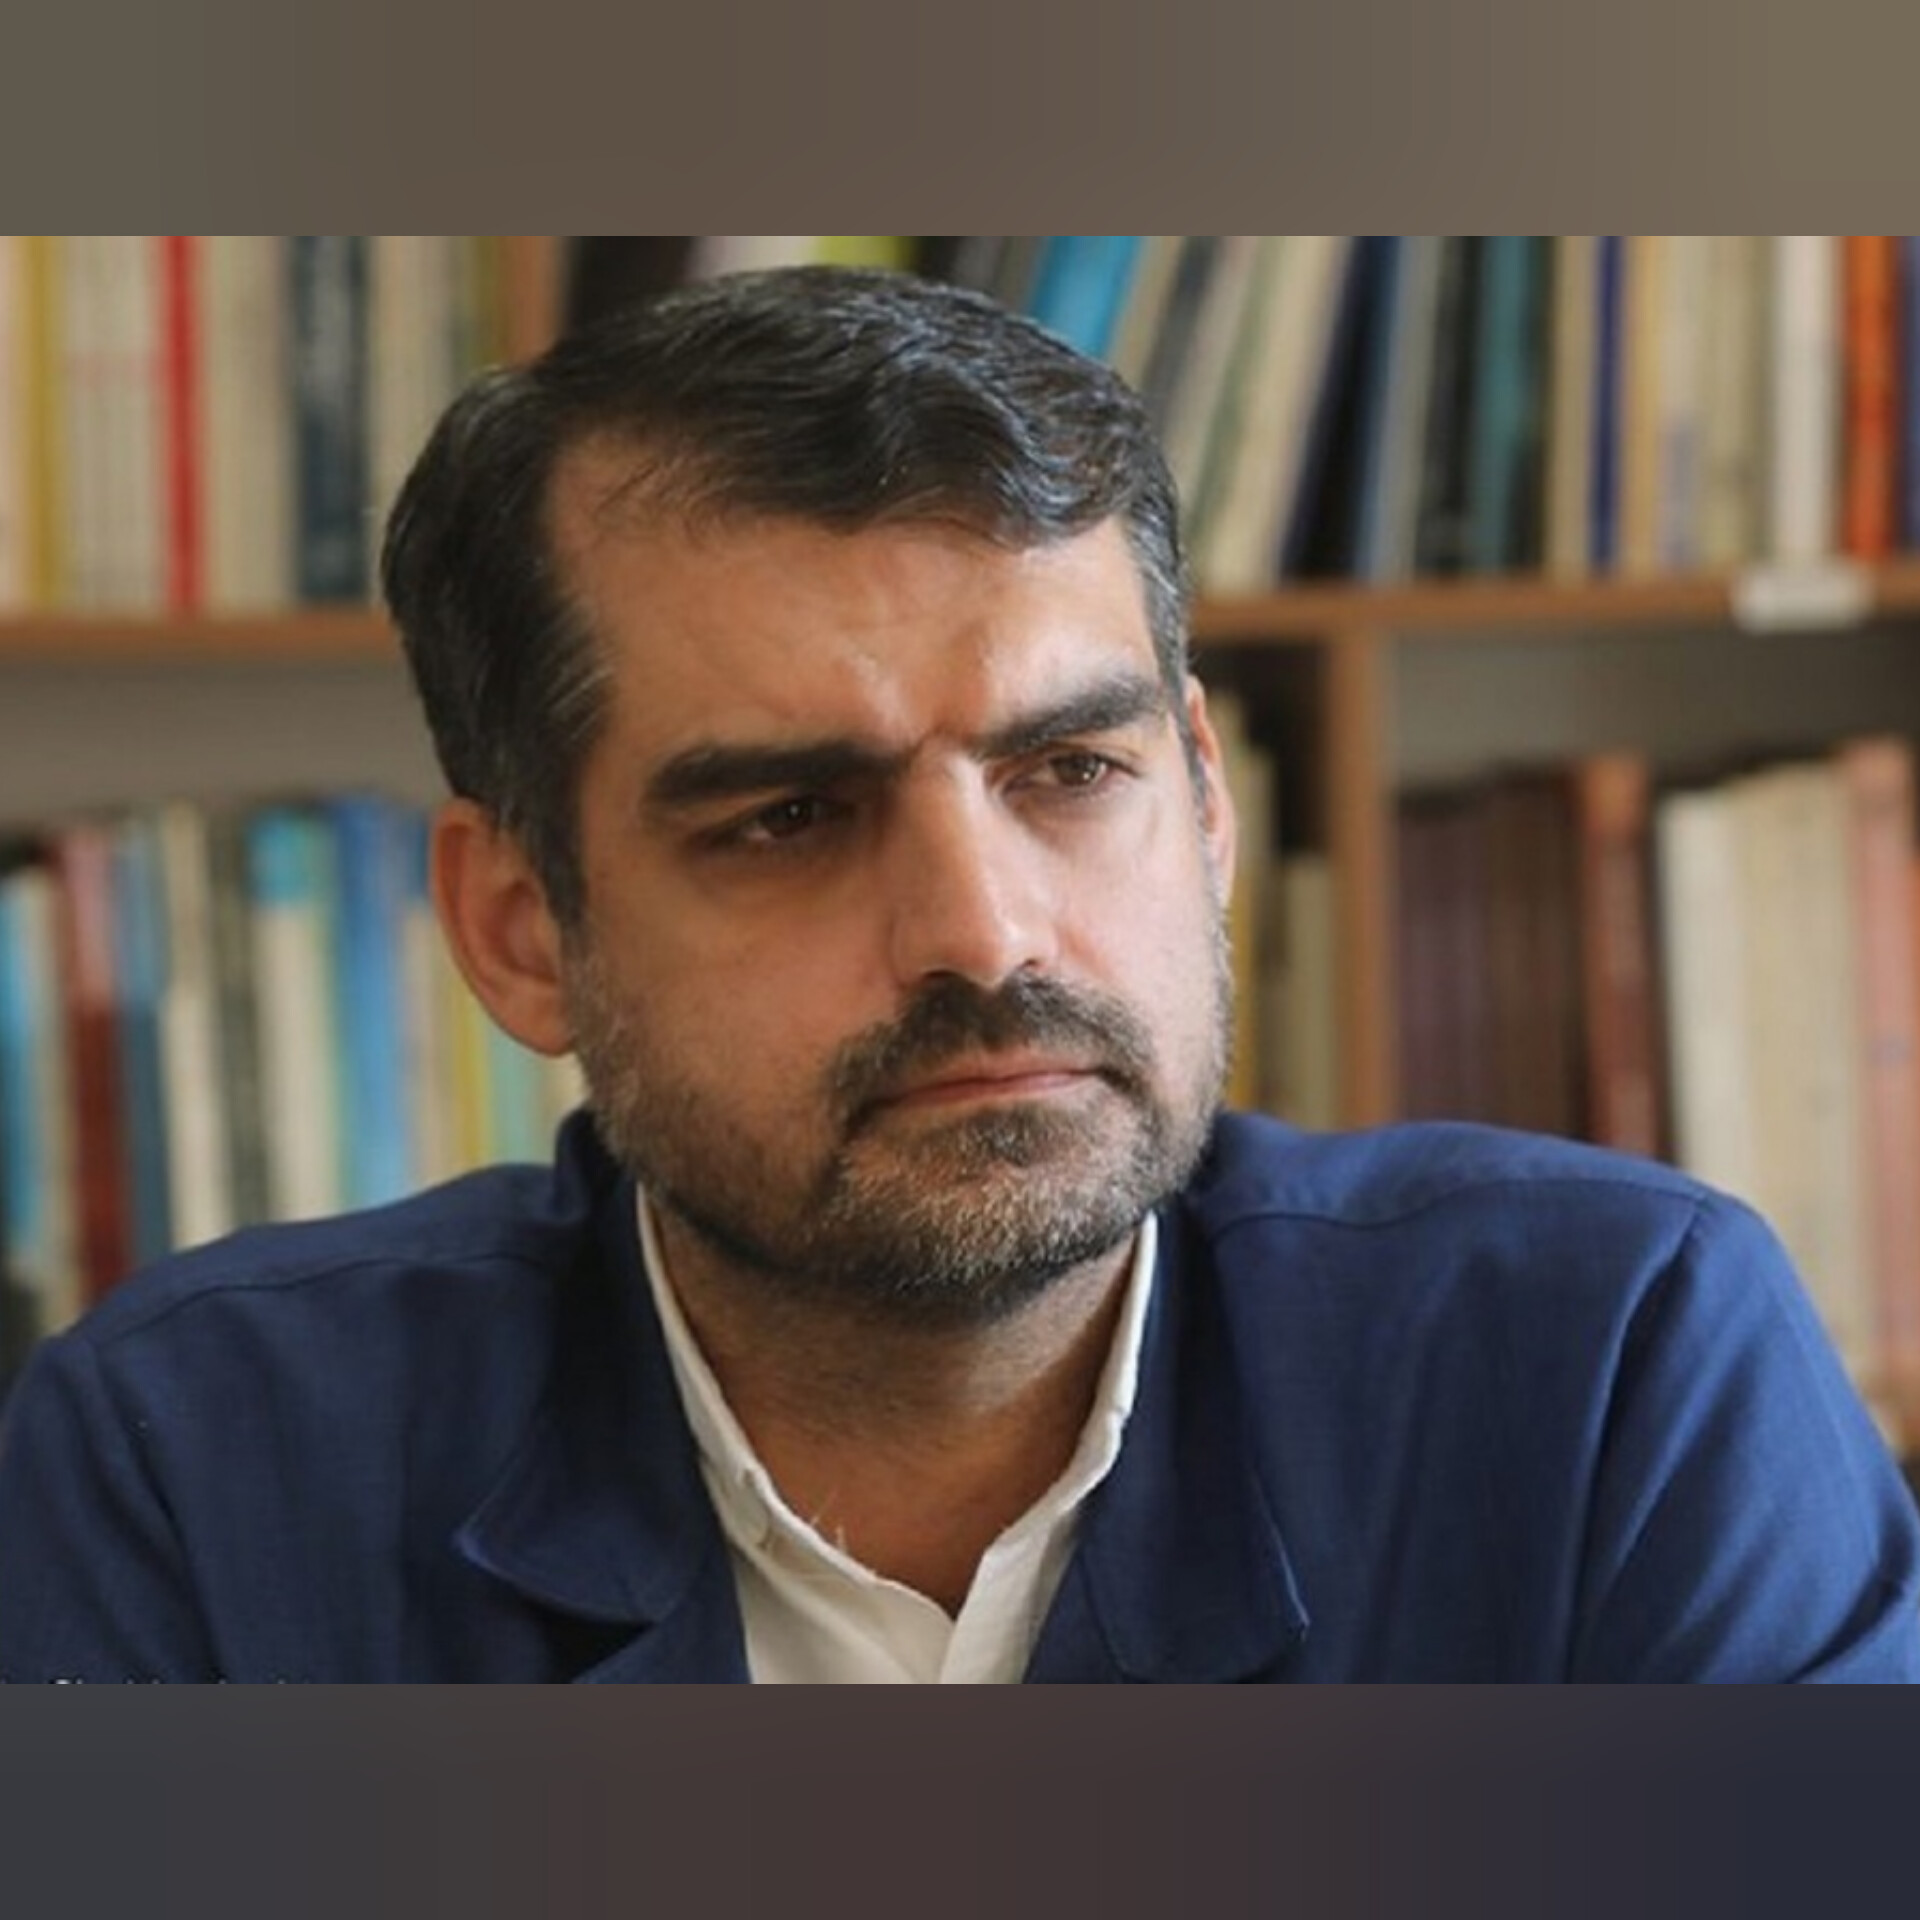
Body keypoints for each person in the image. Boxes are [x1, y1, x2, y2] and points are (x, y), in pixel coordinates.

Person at [1, 266, 1916, 1683]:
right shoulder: (194, 1463)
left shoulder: (1612, 1362)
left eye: (1071, 772)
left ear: (1207, 809)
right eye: (789, 818)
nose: (986, 935)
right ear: (522, 929)